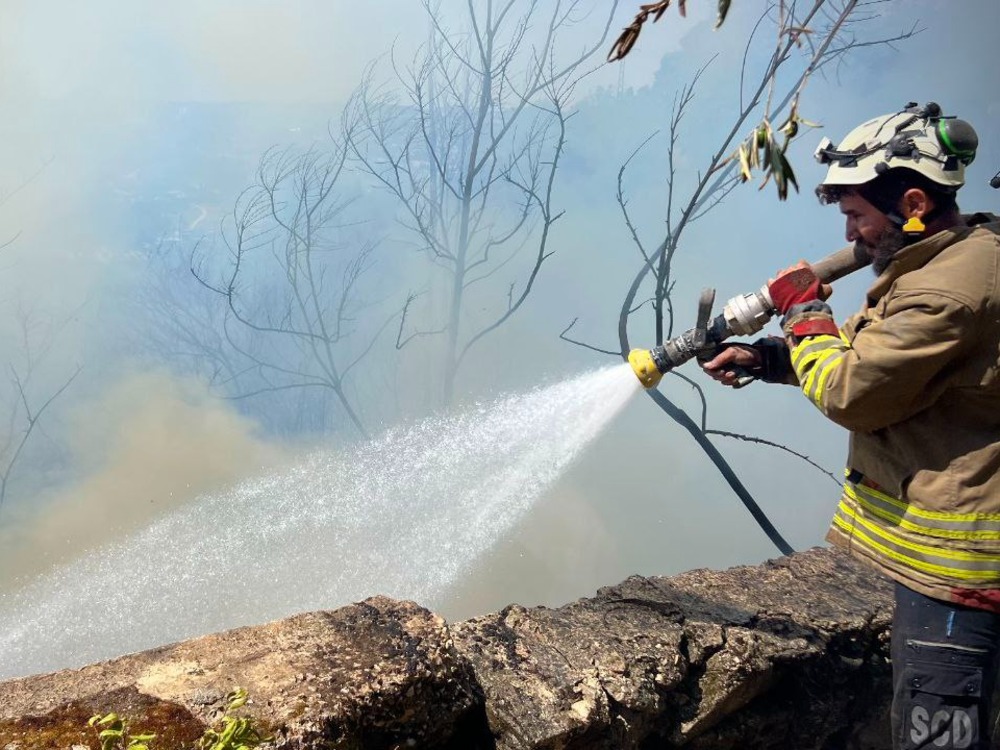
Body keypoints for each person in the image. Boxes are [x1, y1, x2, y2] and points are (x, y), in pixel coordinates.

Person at [702, 102, 1000, 750]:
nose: (853, 234)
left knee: (940, 739)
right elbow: (888, 366)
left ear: (914, 202)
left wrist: (802, 311)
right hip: (947, 570)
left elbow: (852, 391)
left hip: (957, 576)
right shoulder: (956, 256)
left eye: (857, 216)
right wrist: (771, 357)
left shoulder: (946, 290)